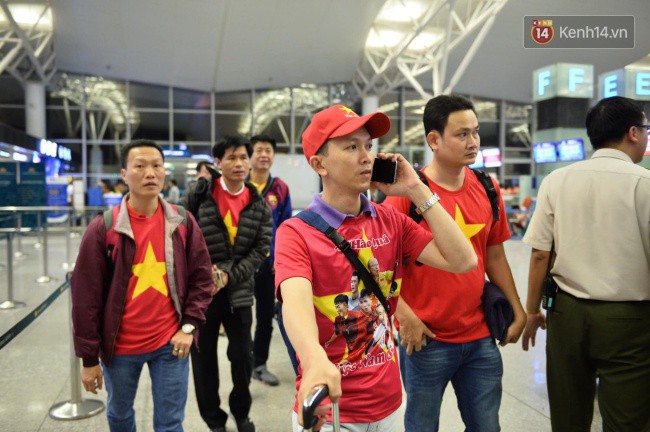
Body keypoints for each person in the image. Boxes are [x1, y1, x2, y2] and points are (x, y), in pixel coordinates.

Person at [274, 104, 477, 431]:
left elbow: (463, 260)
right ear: (318, 163)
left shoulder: (392, 222)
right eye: (351, 147)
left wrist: (416, 189)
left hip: (389, 404)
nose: (366, 156)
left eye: (369, 146)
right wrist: (311, 358)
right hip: (332, 405)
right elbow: (295, 304)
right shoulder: (296, 233)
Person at [384, 94, 526, 432]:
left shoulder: (488, 188)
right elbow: (379, 266)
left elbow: (494, 255)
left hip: (479, 337)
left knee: (487, 426)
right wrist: (404, 317)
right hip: (425, 338)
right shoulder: (406, 194)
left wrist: (518, 309)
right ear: (434, 140)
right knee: (422, 425)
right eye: (462, 134)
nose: (473, 142)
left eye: (476, 132)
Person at [521, 96, 650, 432]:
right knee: (627, 420)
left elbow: (539, 254)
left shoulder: (556, 180)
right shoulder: (645, 184)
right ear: (633, 132)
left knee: (568, 415)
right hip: (630, 321)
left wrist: (533, 309)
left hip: (568, 315)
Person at [71, 139, 214, 432]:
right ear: (124, 174)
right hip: (119, 348)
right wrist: (88, 359)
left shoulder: (182, 222)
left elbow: (202, 279)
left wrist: (189, 327)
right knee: (120, 416)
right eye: (140, 166)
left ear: (164, 172)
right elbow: (85, 299)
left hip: (171, 345)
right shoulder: (104, 228)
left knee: (171, 422)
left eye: (156, 166)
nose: (150, 173)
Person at [180, 135, 272, 432]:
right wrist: (205, 273)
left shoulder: (258, 204)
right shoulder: (200, 194)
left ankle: (241, 413)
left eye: (243, 157)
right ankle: (214, 420)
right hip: (202, 296)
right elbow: (179, 231)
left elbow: (260, 250)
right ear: (217, 162)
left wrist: (230, 275)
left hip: (239, 293)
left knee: (242, 356)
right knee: (204, 360)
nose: (239, 164)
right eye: (231, 158)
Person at [246, 134, 292, 386]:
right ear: (250, 156)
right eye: (259, 150)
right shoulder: (238, 184)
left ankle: (259, 365)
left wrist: (281, 258)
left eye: (268, 151)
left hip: (269, 264)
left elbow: (286, 227)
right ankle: (242, 362)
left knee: (265, 315)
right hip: (242, 265)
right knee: (240, 317)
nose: (264, 155)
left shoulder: (280, 189)